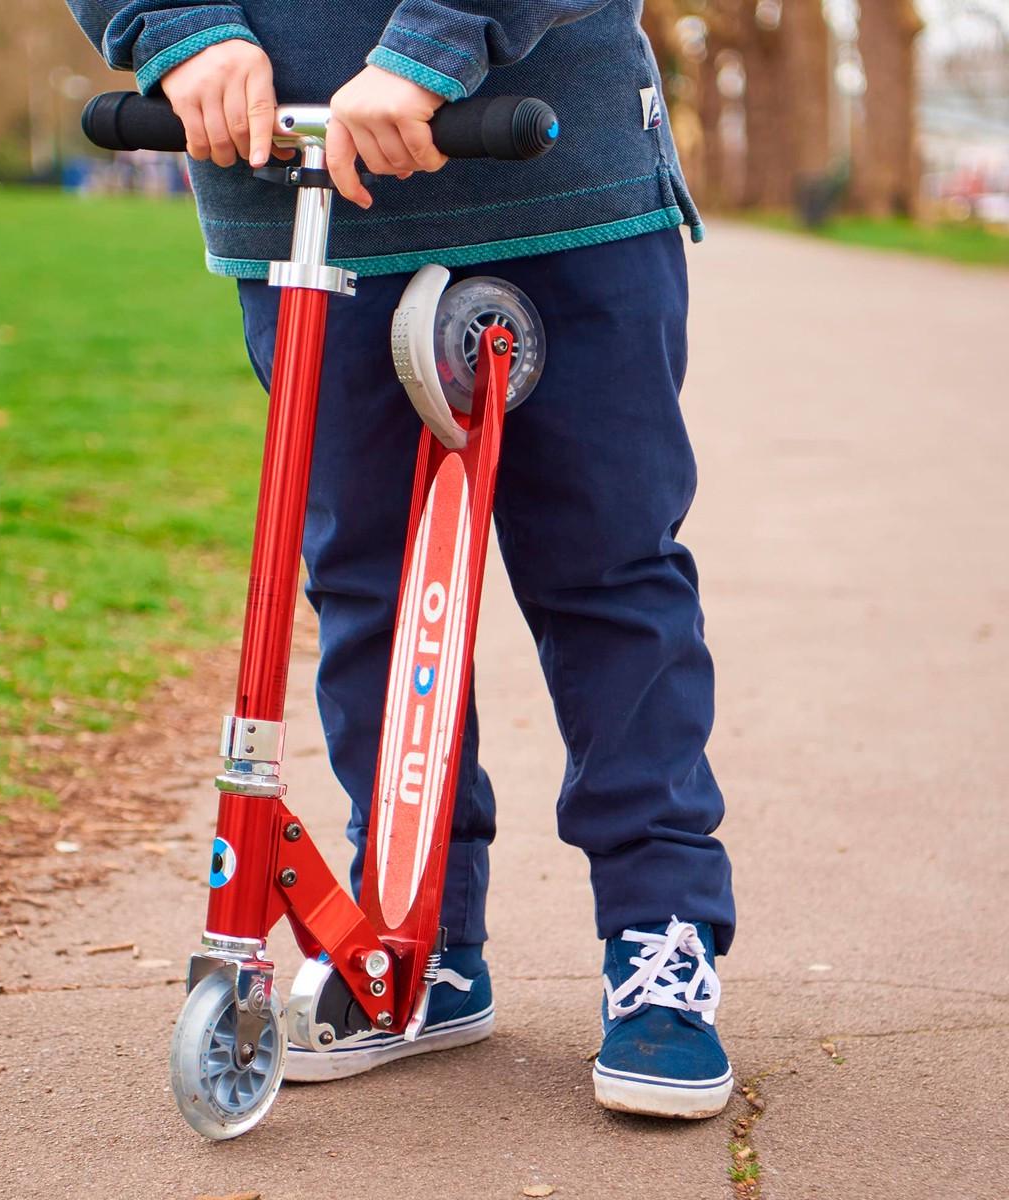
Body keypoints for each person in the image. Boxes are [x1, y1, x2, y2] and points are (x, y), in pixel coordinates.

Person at [66, 0, 735, 1120]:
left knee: (609, 577)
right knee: (370, 588)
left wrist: (439, 44)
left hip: (551, 161)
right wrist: (176, 27)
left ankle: (660, 937)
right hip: (300, 182)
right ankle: (420, 939)